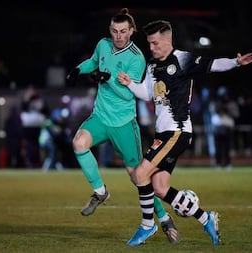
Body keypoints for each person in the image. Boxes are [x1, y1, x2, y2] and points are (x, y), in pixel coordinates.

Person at [117, 20, 252, 246]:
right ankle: (207, 219)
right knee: (159, 188)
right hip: (163, 134)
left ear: (168, 40)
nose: (152, 48)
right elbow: (146, 94)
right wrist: (129, 83)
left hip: (177, 131)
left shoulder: (184, 59)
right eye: (149, 44)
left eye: (155, 43)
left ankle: (148, 226)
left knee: (139, 175)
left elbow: (213, 64)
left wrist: (236, 62)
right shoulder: (153, 66)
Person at [66, 9, 180, 243]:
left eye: (123, 32)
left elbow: (131, 95)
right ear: (110, 31)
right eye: (115, 31)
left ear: (131, 31)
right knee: (78, 143)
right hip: (100, 117)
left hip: (123, 123)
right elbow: (93, 62)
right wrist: (79, 69)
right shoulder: (103, 45)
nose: (118, 36)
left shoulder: (136, 58)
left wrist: (105, 80)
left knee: (138, 176)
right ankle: (101, 192)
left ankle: (163, 217)